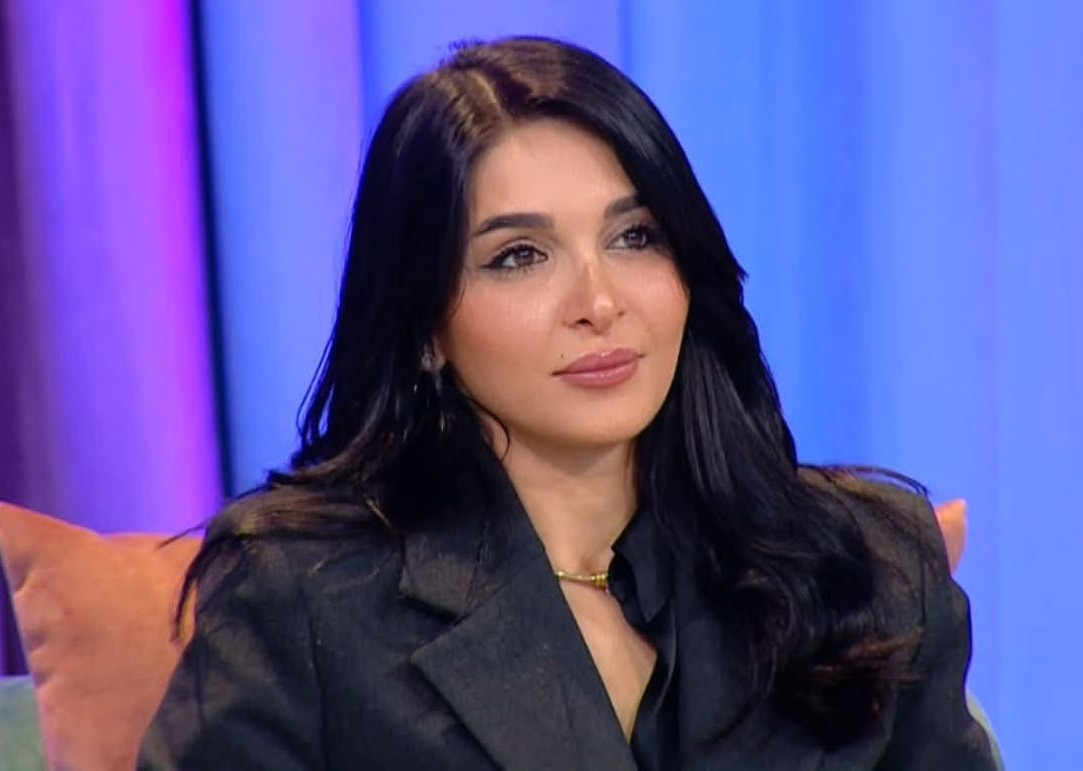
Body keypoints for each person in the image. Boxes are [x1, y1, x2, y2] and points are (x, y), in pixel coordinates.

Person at [138, 37, 997, 769]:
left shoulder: (873, 566)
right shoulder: (304, 598)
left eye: (634, 237)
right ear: (424, 325)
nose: (599, 301)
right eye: (518, 255)